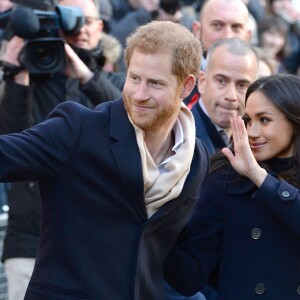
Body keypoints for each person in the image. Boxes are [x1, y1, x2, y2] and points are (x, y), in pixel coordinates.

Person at [0, 20, 209, 300]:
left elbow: (176, 258)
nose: (139, 94)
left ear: (186, 86)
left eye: (155, 83)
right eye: (134, 78)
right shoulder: (79, 128)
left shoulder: (196, 158)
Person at [0, 0, 125, 299]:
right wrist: (17, 75)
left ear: (101, 26)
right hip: (30, 240)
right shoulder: (30, 78)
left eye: (85, 19)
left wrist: (86, 76)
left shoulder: (116, 83)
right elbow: (11, 147)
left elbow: (129, 127)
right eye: (67, 19)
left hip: (98, 245)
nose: (77, 28)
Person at [165, 73, 300, 299]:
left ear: (295, 121)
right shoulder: (225, 178)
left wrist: (260, 178)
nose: (252, 133)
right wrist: (160, 217)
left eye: (264, 120)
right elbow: (189, 278)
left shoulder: (253, 178)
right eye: (248, 120)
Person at [191, 38, 258, 155]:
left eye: (242, 85)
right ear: (202, 82)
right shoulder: (179, 138)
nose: (231, 95)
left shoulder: (256, 140)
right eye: (221, 81)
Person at [185, 0, 252, 108]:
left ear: (248, 36)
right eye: (217, 25)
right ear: (197, 30)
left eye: (236, 27)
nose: (227, 36)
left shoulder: (259, 89)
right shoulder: (178, 79)